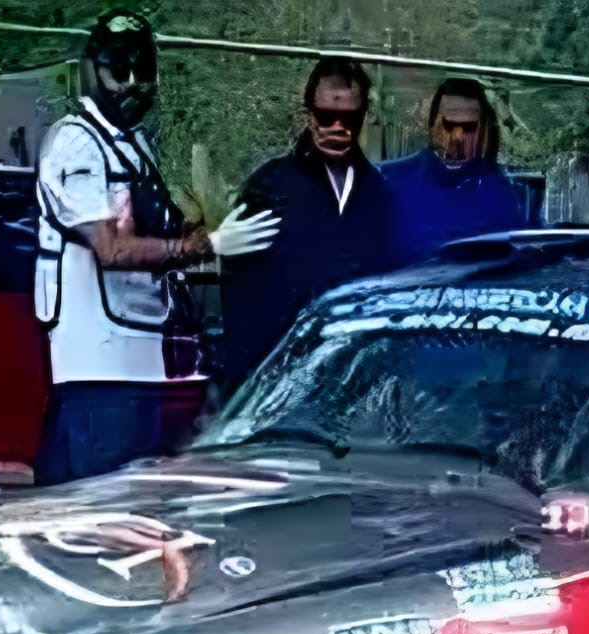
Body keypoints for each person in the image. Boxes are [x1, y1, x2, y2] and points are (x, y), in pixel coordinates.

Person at [33, 9, 279, 485]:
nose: (132, 85)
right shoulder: (75, 142)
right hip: (99, 368)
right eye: (119, 69)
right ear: (92, 71)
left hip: (145, 362)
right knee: (103, 505)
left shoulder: (132, 144)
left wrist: (209, 217)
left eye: (143, 70)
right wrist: (208, 245)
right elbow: (110, 249)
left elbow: (159, 231)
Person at [218, 57, 397, 399]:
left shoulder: (379, 195)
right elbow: (237, 296)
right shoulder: (268, 188)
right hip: (275, 386)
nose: (338, 127)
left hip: (350, 388)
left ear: (364, 118)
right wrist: (250, 387)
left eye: (350, 118)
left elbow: (385, 291)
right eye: (327, 116)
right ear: (309, 116)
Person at [382, 78, 529, 265]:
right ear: (433, 124)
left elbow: (524, 260)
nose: (458, 137)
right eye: (449, 125)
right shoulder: (390, 181)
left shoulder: (505, 194)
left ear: (482, 130)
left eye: (469, 127)